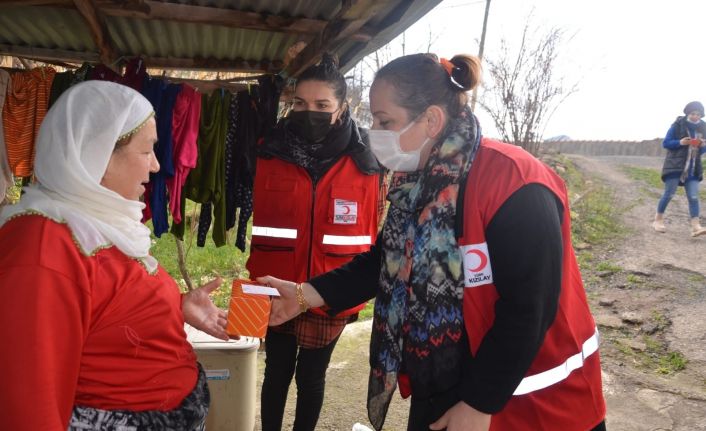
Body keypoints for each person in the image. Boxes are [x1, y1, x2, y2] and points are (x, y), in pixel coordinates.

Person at [263, 53, 607, 431]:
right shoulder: (414, 184)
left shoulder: (514, 181)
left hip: (536, 402)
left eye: (384, 121)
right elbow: (386, 262)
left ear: (430, 120)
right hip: (445, 382)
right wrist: (303, 295)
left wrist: (479, 402)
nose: (374, 131)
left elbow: (530, 307)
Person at [0, 81, 230, 431]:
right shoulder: (44, 243)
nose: (156, 165)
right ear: (100, 154)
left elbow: (106, 306)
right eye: (147, 150)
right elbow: (27, 398)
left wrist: (175, 307)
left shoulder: (97, 222)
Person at [247, 53, 383, 431]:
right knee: (275, 373)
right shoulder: (268, 149)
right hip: (274, 284)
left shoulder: (369, 159)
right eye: (301, 104)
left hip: (331, 287)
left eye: (322, 105)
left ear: (342, 107)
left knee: (312, 376)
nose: (311, 112)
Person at [652, 101, 706, 237]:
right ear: (688, 113)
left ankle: (695, 226)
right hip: (675, 166)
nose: (695, 116)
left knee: (693, 197)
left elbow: (702, 151)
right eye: (693, 113)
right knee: (669, 194)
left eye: (698, 114)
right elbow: (666, 143)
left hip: (693, 167)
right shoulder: (677, 125)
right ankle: (658, 220)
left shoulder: (703, 128)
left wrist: (702, 145)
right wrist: (681, 142)